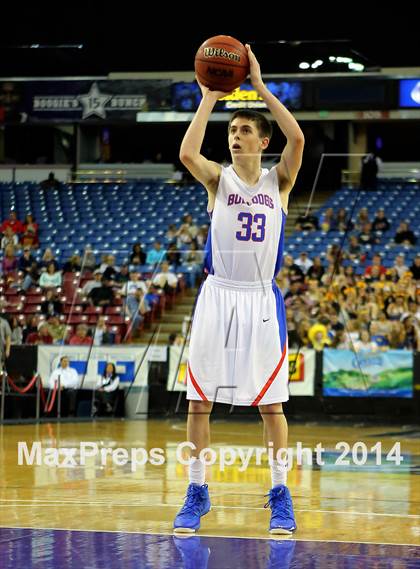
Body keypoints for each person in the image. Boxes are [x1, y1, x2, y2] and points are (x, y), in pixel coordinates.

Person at [173, 44, 304, 535]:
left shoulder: (280, 182)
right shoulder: (217, 180)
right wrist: (209, 97)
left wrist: (263, 90)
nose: (235, 136)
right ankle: (197, 490)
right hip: (217, 294)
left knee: (272, 406)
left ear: (262, 142)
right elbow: (188, 153)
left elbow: (299, 137)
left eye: (244, 130)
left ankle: (279, 495)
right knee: (198, 402)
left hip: (260, 299)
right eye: (232, 130)